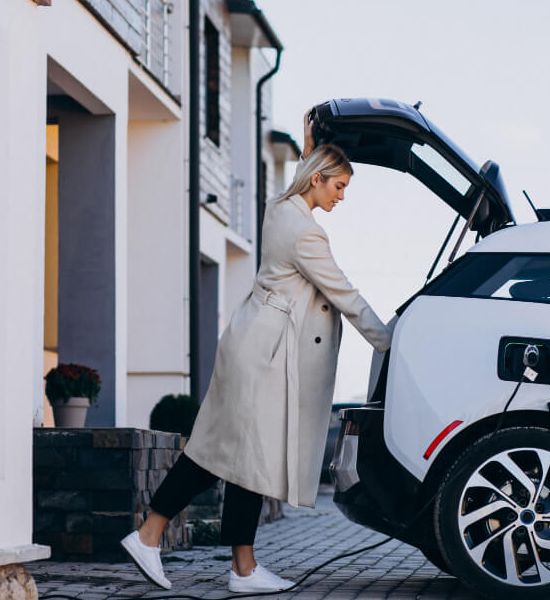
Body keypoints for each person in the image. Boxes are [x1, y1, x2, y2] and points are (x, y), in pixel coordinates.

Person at [120, 116, 392, 593]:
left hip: (255, 343)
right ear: (317, 179)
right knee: (216, 454)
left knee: (246, 459)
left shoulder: (279, 208)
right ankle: (149, 535)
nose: (342, 196)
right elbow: (344, 294)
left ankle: (242, 568)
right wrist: (391, 344)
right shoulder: (307, 233)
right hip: (265, 355)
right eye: (340, 186)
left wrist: (310, 146)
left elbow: (299, 185)